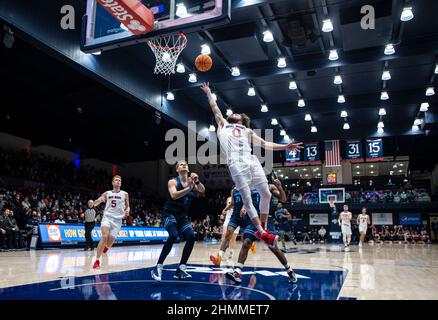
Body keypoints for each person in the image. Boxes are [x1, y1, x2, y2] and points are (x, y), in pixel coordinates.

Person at [200, 82, 302, 247]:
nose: (234, 113)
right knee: (247, 199)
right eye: (233, 113)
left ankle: (263, 229)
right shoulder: (223, 124)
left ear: (242, 120)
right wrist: (208, 92)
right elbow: (214, 106)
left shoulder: (247, 131)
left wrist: (286, 146)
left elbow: (265, 144)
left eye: (237, 113)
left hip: (251, 161)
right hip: (236, 163)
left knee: (267, 195)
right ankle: (261, 232)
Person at [223, 187, 297, 285]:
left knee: (274, 248)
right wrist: (244, 207)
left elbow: (283, 199)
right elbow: (247, 199)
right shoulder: (249, 186)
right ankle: (237, 272)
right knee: (246, 243)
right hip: (254, 219)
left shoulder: (269, 186)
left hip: (266, 220)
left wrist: (280, 188)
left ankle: (290, 270)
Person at [151, 160, 205, 281]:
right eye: (181, 164)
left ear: (188, 169)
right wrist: (189, 188)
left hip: (182, 216)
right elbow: (174, 195)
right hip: (169, 214)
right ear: (177, 169)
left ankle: (181, 269)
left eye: (185, 164)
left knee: (191, 236)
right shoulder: (173, 181)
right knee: (174, 235)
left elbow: (202, 190)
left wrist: (197, 181)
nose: (184, 165)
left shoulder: (192, 182)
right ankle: (158, 266)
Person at [92, 175, 130, 269]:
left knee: (110, 242)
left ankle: (106, 247)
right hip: (107, 217)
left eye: (119, 181)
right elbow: (98, 201)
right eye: (116, 180)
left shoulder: (125, 194)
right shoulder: (107, 193)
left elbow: (128, 206)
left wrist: (127, 210)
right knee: (104, 237)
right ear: (113, 183)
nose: (118, 181)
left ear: (120, 183)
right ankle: (97, 261)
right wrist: (96, 202)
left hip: (118, 220)